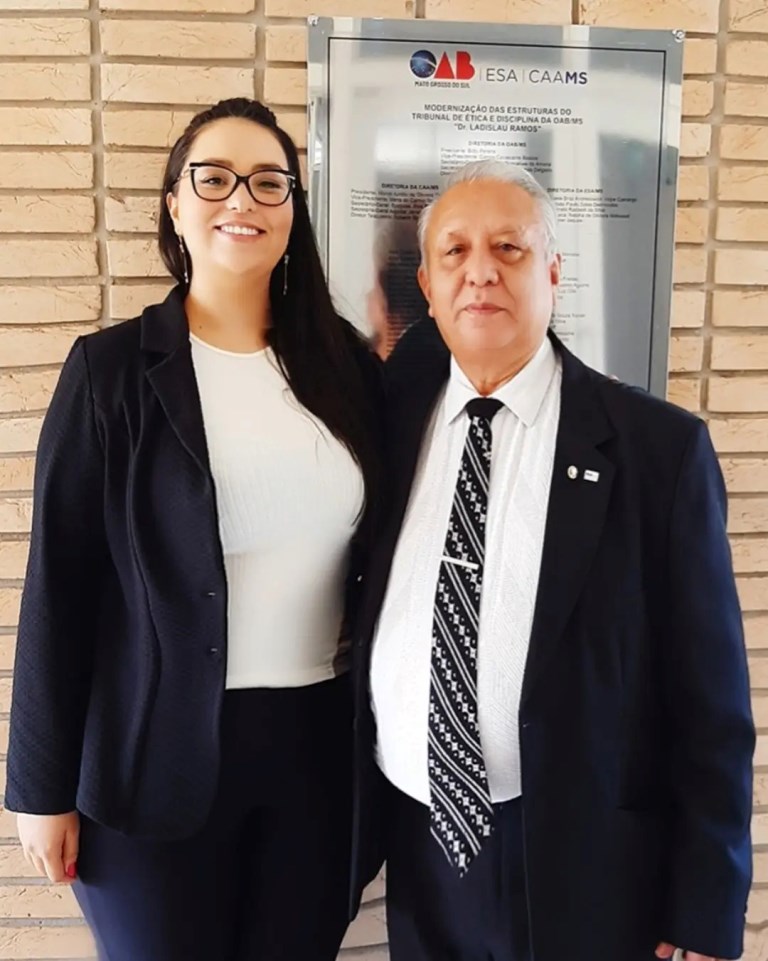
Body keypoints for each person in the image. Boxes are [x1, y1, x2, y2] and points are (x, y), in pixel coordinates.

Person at [6, 97, 382, 961]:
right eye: (213, 179)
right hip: (150, 756)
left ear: (293, 210)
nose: (241, 199)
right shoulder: (110, 372)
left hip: (318, 756)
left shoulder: (346, 367)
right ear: (175, 204)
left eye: (268, 182)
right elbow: (60, 584)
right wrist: (38, 787)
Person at [350, 160, 754, 961]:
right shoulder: (389, 421)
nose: (481, 272)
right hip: (419, 842)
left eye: (510, 247)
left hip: (582, 854)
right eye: (456, 252)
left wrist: (706, 904)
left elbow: (709, 700)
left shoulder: (657, 449)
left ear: (555, 271)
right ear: (427, 285)